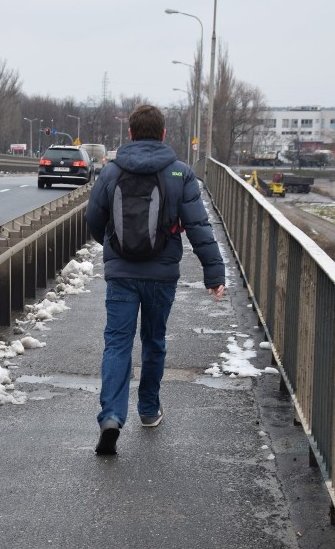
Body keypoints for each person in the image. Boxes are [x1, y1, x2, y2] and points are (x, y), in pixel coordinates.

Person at [86, 104, 226, 456]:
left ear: (130, 134)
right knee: (154, 340)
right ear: (163, 134)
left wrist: (115, 249)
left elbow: (93, 219)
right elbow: (198, 227)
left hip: (122, 275)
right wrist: (214, 273)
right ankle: (148, 410)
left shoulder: (111, 171)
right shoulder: (180, 173)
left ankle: (112, 416)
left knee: (117, 343)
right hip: (162, 274)